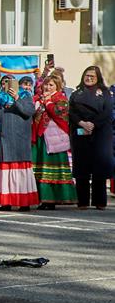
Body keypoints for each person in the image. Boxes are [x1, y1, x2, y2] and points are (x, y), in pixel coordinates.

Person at [0, 77, 39, 211]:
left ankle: (24, 203)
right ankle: (5, 202)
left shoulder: (25, 95)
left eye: (9, 82)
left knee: (20, 174)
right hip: (1, 141)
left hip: (18, 141)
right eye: (4, 83)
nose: (6, 85)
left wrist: (16, 98)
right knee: (4, 174)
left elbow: (29, 111)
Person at [69, 66, 113, 210]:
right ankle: (82, 201)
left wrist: (93, 125)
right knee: (82, 167)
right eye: (87, 75)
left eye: (92, 76)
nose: (89, 78)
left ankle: (99, 201)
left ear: (97, 78)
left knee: (99, 168)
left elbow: (107, 112)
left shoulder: (105, 93)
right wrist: (82, 123)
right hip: (80, 132)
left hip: (100, 133)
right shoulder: (76, 94)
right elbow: (71, 112)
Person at [31, 74, 76, 209]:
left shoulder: (61, 98)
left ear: (57, 86)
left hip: (54, 139)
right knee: (39, 167)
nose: (48, 87)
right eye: (46, 84)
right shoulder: (38, 98)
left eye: (51, 85)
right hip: (40, 137)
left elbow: (58, 113)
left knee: (54, 168)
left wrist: (48, 102)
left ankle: (53, 199)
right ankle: (43, 198)